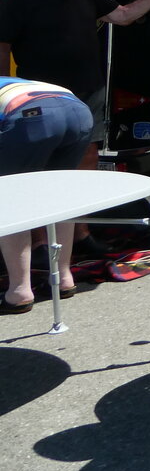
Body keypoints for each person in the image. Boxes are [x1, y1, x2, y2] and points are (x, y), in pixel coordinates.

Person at [0, 0, 150, 258]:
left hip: (87, 94)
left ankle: (81, 234)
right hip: (41, 101)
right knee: (39, 170)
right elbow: (1, 48)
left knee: (85, 164)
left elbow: (124, 15)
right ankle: (36, 240)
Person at [0, 77, 93, 312]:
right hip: (77, 111)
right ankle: (63, 278)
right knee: (60, 195)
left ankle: (19, 291)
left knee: (10, 198)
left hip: (30, 115)